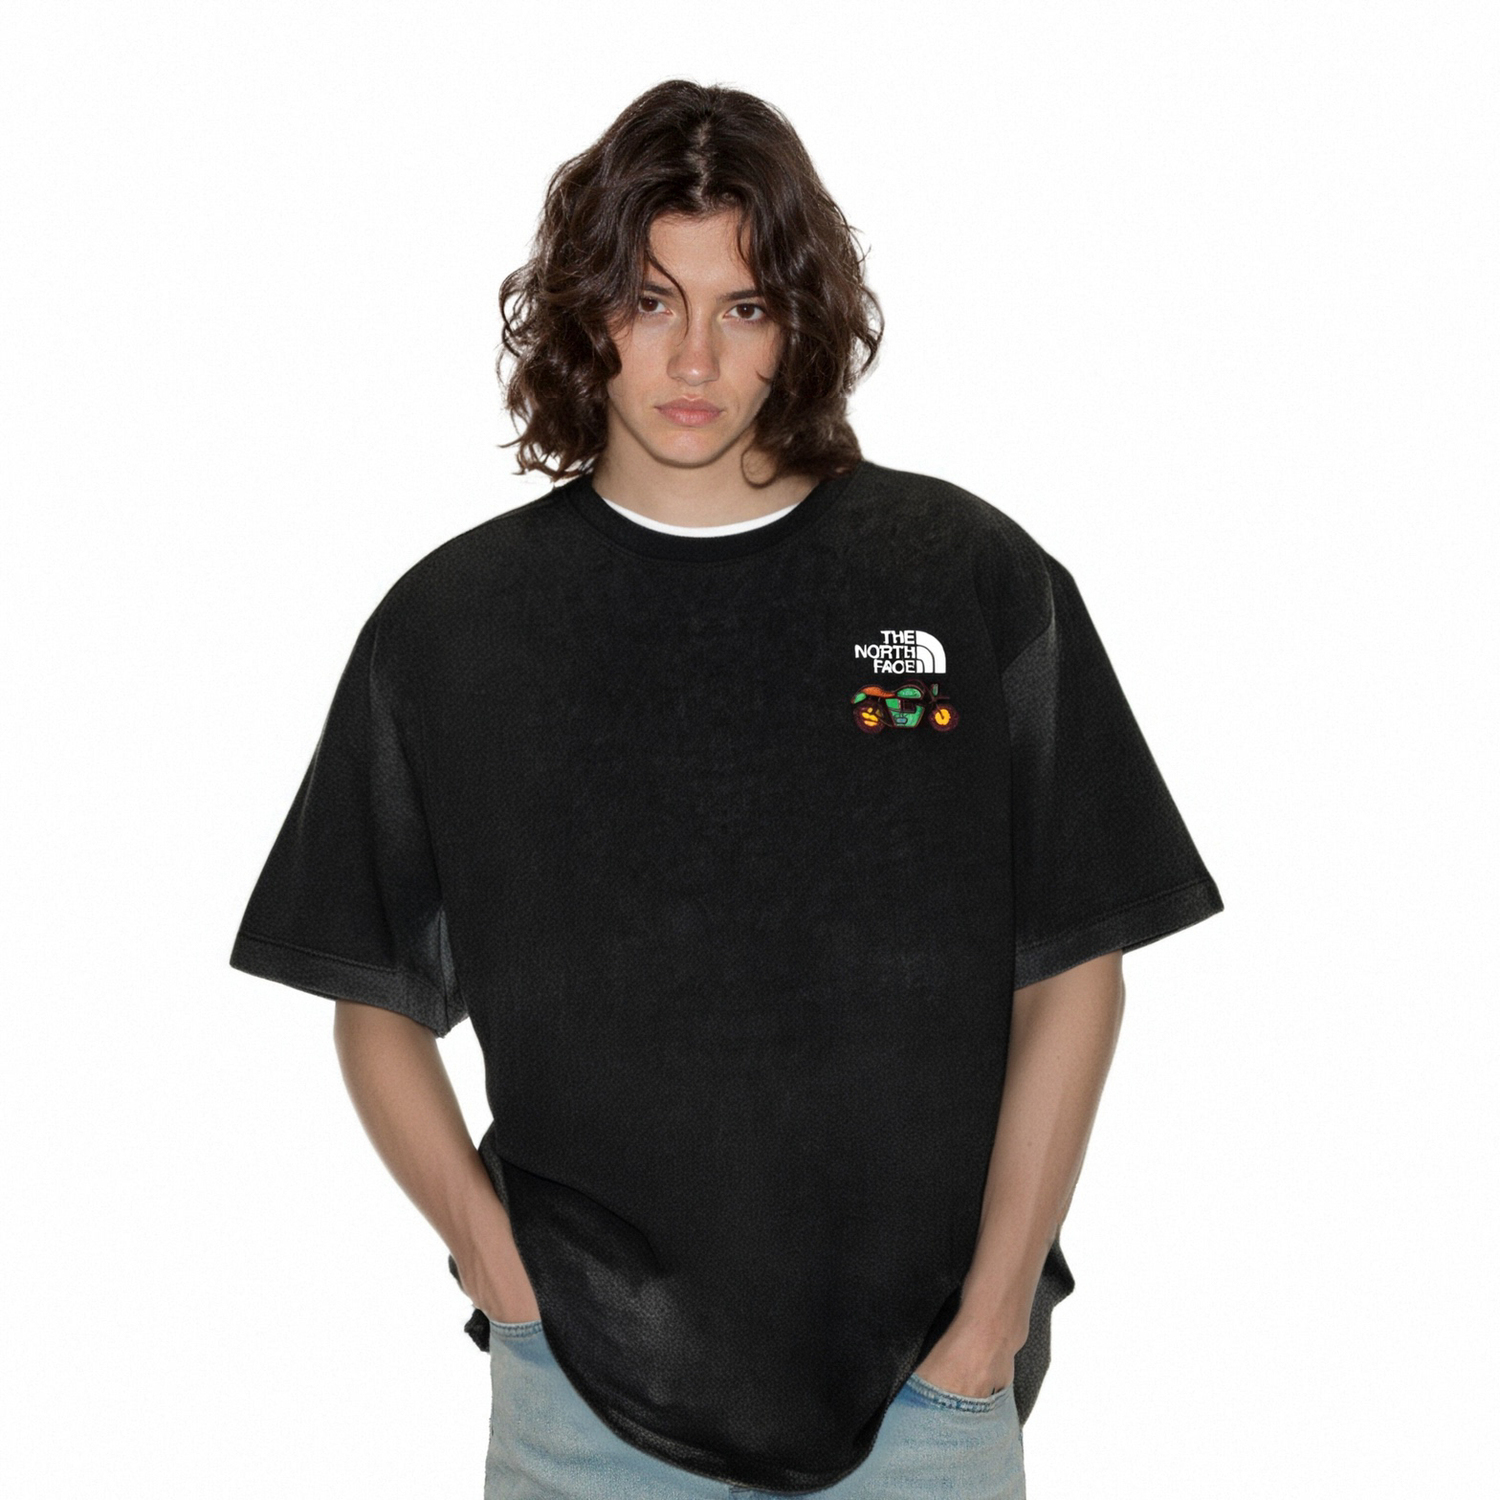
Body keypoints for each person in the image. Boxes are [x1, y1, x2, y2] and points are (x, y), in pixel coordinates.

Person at [228, 79, 1224, 1499]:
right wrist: (494, 1265)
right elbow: (371, 989)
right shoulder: (457, 625)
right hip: (583, 1398)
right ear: (584, 316)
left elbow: (1076, 965)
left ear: (799, 324)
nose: (692, 356)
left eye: (743, 307)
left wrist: (992, 1321)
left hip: (928, 1397)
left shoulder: (964, 578)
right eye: (649, 301)